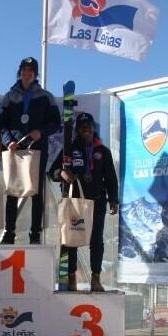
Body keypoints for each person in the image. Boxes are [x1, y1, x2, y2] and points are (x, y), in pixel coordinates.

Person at [48, 112, 119, 291]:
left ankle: (96, 278)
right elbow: (52, 172)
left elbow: (111, 177)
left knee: (96, 240)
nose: (86, 130)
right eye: (83, 127)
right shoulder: (69, 150)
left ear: (93, 128)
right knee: (71, 239)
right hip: (75, 203)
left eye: (89, 127)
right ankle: (70, 277)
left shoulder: (103, 151)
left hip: (97, 201)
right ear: (77, 130)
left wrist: (113, 199)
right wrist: (61, 173)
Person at [0, 57, 61, 244]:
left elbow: (55, 123)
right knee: (12, 190)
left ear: (35, 74)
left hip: (37, 148)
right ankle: (10, 232)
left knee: (36, 192)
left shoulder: (46, 96)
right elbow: (2, 125)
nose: (27, 73)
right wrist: (8, 141)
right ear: (20, 72)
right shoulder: (9, 96)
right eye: (24, 70)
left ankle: (35, 234)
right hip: (15, 148)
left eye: (31, 71)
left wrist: (40, 132)